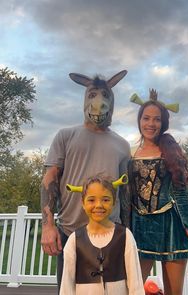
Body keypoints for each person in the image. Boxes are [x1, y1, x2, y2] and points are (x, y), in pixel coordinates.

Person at [40, 70, 131, 292]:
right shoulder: (65, 136)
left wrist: (127, 232)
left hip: (111, 234)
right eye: (92, 94)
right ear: (85, 98)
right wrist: (48, 225)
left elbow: (126, 191)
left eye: (105, 95)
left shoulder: (122, 145)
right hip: (71, 232)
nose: (98, 102)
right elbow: (49, 179)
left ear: (112, 100)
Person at [128, 89, 188, 295]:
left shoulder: (170, 151)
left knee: (173, 292)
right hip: (139, 229)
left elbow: (181, 196)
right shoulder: (129, 154)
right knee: (132, 290)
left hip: (171, 229)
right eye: (146, 118)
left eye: (156, 119)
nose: (150, 124)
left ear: (163, 123)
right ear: (139, 120)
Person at [60, 174, 145, 295]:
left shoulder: (125, 236)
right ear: (83, 203)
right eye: (91, 200)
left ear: (114, 202)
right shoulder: (74, 240)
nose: (98, 205)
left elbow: (135, 283)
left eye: (105, 199)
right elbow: (67, 285)